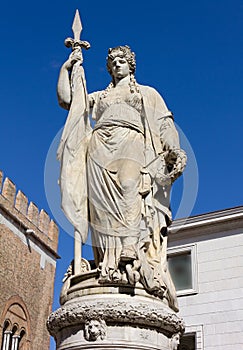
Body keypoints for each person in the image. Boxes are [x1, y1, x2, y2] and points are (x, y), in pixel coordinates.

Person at [57, 45, 186, 312]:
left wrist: (173, 147)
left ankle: (130, 247)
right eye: (113, 61)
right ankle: (108, 261)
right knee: (100, 209)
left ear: (131, 65)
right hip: (99, 148)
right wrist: (69, 67)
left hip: (131, 141)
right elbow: (68, 101)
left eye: (122, 61)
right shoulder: (100, 96)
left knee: (131, 187)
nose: (117, 65)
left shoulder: (146, 94)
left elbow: (164, 124)